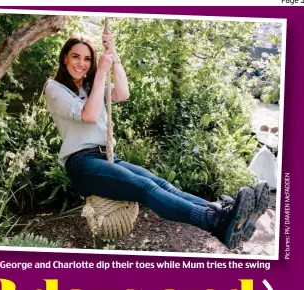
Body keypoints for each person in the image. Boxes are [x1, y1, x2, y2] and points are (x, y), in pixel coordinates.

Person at [43, 29, 270, 249]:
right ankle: (213, 222)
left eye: (87, 59)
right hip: (82, 164)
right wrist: (102, 71)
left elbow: (122, 93)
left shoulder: (92, 87)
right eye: (75, 57)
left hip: (106, 157)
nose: (81, 63)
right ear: (64, 58)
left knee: (161, 184)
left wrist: (114, 54)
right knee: (145, 188)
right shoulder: (54, 88)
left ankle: (223, 213)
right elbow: (89, 116)